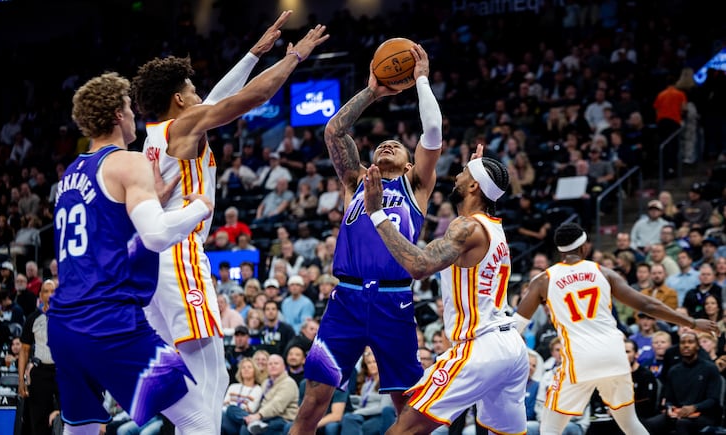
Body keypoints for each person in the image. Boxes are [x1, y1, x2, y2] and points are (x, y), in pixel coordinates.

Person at [131, 13, 328, 434]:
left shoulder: (155, 135)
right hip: (179, 253)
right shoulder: (185, 125)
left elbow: (216, 99)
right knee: (209, 377)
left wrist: (252, 55)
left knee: (196, 379)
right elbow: (250, 98)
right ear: (179, 99)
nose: (199, 95)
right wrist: (293, 57)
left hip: (151, 262)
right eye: (192, 90)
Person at [48, 72, 214, 433]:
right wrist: (199, 207)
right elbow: (156, 236)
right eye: (128, 105)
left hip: (63, 326)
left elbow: (110, 240)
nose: (134, 113)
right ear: (117, 115)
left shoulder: (69, 175)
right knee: (199, 419)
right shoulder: (129, 161)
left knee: (80, 431)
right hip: (110, 322)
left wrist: (153, 201)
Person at [291, 42, 443, 435]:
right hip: (347, 299)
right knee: (313, 401)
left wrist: (421, 79)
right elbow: (334, 130)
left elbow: (432, 131)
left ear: (409, 164)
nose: (387, 144)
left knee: (406, 406)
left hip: (395, 300)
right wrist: (373, 91)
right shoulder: (355, 180)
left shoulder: (416, 185)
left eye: (397, 146)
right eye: (381, 144)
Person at [360, 145, 528, 434]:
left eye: (463, 173)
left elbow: (419, 265)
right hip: (511, 348)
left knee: (404, 429)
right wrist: (478, 172)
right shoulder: (493, 227)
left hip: (480, 346)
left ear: (474, 186)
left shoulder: (467, 227)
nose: (456, 176)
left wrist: (376, 213)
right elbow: (483, 194)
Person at [514, 222, 719, 435]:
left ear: (559, 250)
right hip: (615, 355)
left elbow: (517, 324)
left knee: (550, 426)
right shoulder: (603, 272)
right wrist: (692, 323)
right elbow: (647, 305)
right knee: (629, 422)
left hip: (579, 357)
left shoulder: (544, 280)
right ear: (584, 247)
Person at [643, 331, 722, 434]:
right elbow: (669, 399)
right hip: (678, 413)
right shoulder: (673, 371)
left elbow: (713, 399)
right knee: (648, 424)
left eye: (690, 342)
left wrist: (694, 407)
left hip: (703, 414)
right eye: (683, 342)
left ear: (697, 346)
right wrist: (669, 408)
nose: (686, 345)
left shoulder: (710, 368)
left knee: (682, 424)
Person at [19, 279, 59, 435]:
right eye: (46, 291)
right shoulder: (33, 318)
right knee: (39, 422)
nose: (49, 295)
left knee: (68, 419)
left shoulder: (68, 317)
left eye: (53, 291)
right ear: (41, 295)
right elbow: (24, 350)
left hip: (63, 372)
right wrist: (21, 380)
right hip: (40, 372)